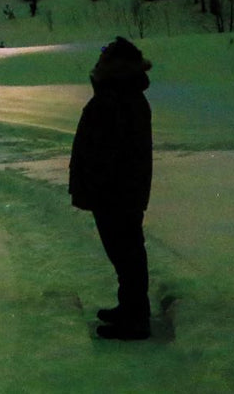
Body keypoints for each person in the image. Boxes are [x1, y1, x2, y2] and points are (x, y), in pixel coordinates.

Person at [69, 36, 154, 340]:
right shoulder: (119, 95)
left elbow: (113, 150)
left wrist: (99, 184)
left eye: (105, 60)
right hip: (116, 190)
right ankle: (130, 308)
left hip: (117, 192)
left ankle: (135, 318)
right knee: (124, 254)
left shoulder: (120, 97)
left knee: (126, 253)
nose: (99, 64)